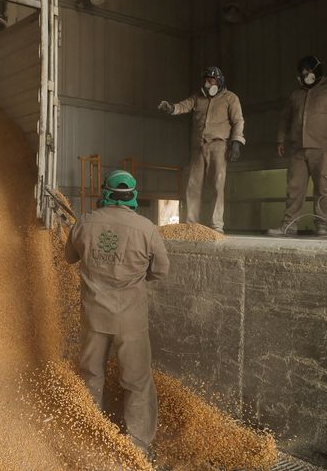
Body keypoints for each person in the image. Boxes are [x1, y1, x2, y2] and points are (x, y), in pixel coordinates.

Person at [65, 170, 170, 454]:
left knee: (91, 373)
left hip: (94, 315)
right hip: (131, 318)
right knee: (136, 381)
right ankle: (137, 445)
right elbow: (160, 270)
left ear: (105, 193)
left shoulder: (85, 222)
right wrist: (135, 278)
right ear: (133, 195)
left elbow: (69, 257)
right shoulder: (146, 228)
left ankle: (90, 434)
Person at [267, 56, 327, 237]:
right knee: (294, 187)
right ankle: (289, 225)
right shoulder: (296, 94)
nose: (305, 74)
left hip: (324, 146)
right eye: (302, 72)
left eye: (308, 70)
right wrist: (280, 139)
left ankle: (322, 225)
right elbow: (285, 118)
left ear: (317, 70)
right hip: (298, 147)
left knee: (323, 187)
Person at [158, 67, 245, 234]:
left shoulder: (230, 98)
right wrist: (171, 108)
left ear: (219, 82)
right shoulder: (198, 98)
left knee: (217, 185)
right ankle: (191, 225)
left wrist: (236, 142)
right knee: (192, 185)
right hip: (199, 146)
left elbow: (238, 121)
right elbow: (184, 106)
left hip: (219, 146)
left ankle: (216, 225)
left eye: (210, 81)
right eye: (205, 81)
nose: (207, 84)